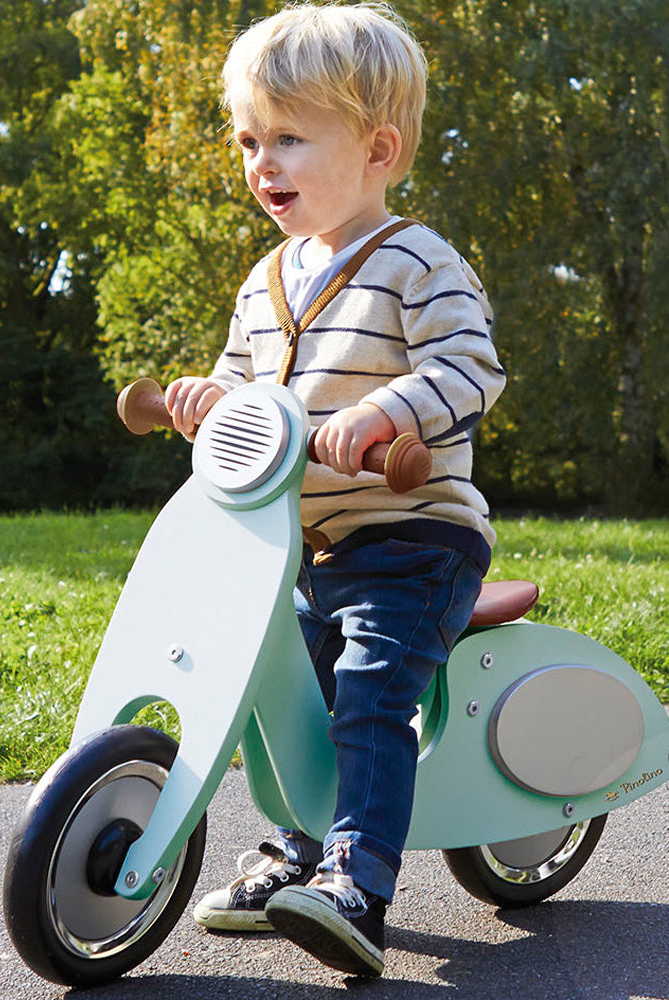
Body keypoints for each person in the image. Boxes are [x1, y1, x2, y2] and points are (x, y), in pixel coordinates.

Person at [164, 1, 505, 978]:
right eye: (248, 140)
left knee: (364, 692)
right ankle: (297, 851)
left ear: (377, 149)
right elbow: (243, 385)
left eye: (288, 138)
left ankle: (357, 883)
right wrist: (206, 400)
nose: (260, 162)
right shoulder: (264, 278)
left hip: (412, 536)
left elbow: (471, 369)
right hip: (300, 545)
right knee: (280, 701)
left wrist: (387, 411)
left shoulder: (416, 262)